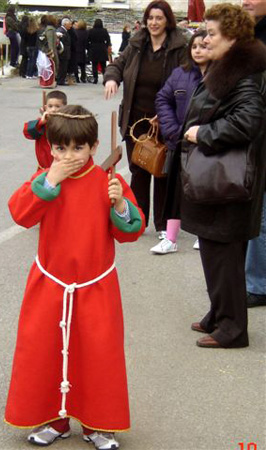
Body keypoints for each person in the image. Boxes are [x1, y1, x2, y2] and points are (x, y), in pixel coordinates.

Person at [5, 104, 145, 450]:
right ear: (50, 147)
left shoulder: (108, 182)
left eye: (78, 148)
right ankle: (55, 420)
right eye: (60, 148)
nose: (69, 156)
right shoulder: (45, 178)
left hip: (96, 284)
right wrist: (51, 179)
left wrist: (120, 206)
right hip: (49, 282)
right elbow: (20, 214)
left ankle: (98, 425)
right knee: (45, 351)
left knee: (98, 355)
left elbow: (131, 231)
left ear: (94, 147)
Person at [165, 3, 266, 348]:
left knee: (224, 255)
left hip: (228, 181)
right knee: (215, 252)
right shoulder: (230, 67)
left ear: (233, 38)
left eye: (212, 34)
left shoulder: (245, 76)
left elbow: (248, 121)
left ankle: (232, 329)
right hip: (221, 178)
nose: (205, 39)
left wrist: (200, 134)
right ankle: (219, 313)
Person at [104, 0, 187, 236]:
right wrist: (112, 78)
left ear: (167, 20)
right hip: (136, 120)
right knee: (138, 170)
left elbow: (184, 83)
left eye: (159, 18)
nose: (154, 23)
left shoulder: (179, 47)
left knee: (162, 171)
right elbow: (118, 64)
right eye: (150, 18)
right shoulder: (137, 44)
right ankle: (138, 220)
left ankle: (163, 226)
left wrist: (168, 112)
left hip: (165, 120)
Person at [151, 29, 210, 254]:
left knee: (202, 190)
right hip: (179, 142)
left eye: (203, 46)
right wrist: (171, 129)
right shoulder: (180, 73)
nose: (198, 50)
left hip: (206, 143)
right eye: (194, 46)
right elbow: (163, 99)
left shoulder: (221, 75)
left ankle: (201, 234)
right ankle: (171, 237)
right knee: (174, 192)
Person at [242, 0, 266, 307]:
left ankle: (258, 283)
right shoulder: (249, 34)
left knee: (260, 216)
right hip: (253, 142)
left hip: (259, 140)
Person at [23, 90, 67, 169]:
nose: (53, 109)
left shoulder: (69, 123)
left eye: (57, 106)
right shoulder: (41, 123)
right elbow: (27, 132)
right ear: (45, 107)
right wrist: (41, 122)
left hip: (62, 169)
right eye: (50, 106)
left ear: (65, 107)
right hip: (44, 168)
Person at [87, 19, 111, 84]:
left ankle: (95, 78)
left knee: (94, 65)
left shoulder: (91, 31)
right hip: (102, 48)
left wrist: (89, 47)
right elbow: (108, 40)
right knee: (103, 65)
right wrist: (106, 46)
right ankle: (105, 78)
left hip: (93, 48)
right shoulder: (104, 31)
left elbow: (87, 40)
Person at [56, 18, 72, 85]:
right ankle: (60, 80)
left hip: (65, 52)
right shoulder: (61, 31)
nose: (70, 26)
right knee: (62, 67)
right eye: (69, 24)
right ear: (65, 24)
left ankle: (61, 80)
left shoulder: (64, 31)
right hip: (63, 52)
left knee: (64, 67)